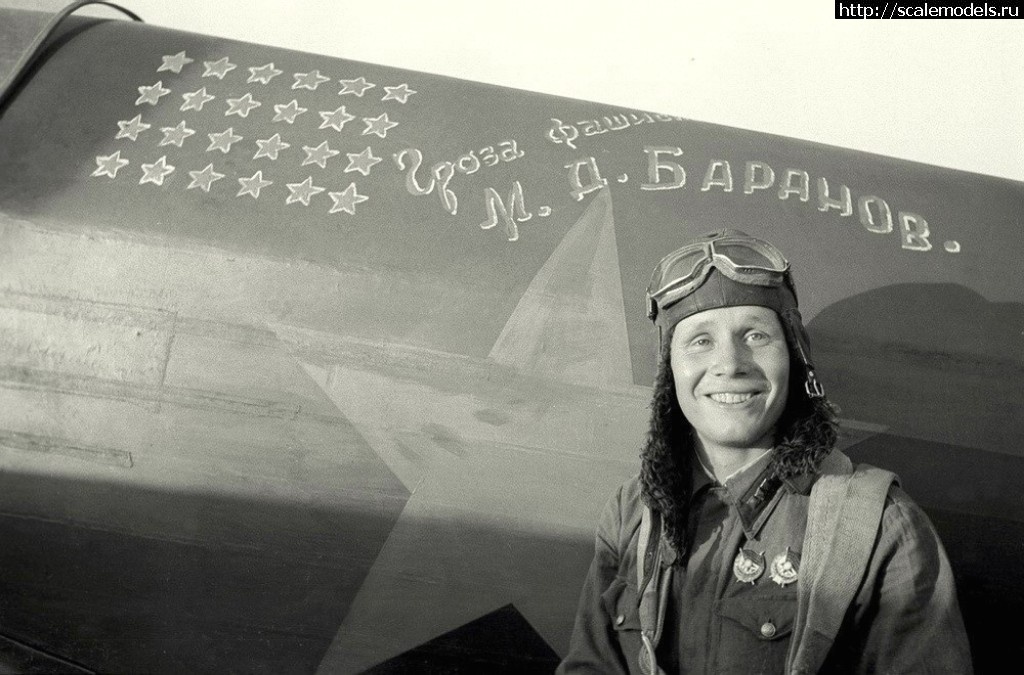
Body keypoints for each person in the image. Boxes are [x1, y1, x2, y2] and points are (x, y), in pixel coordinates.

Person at [557, 230, 972, 674]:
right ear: (670, 370)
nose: (730, 364)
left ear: (794, 357)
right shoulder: (632, 515)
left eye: (755, 335)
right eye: (700, 340)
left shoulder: (880, 526)